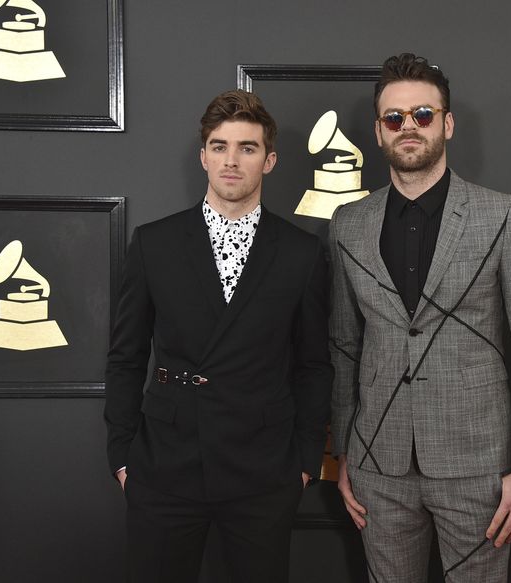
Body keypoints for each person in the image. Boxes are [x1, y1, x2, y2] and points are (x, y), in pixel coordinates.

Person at [329, 53, 511, 582]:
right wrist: (344, 453)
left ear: (447, 123)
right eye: (395, 118)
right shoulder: (348, 224)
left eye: (423, 114)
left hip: (478, 465)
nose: (408, 127)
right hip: (376, 467)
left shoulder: (501, 215)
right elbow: (343, 347)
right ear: (378, 132)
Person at [104, 90, 333, 583]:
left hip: (264, 469)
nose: (232, 160)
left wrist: (305, 461)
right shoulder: (154, 243)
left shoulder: (302, 253)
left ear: (269, 160)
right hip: (165, 463)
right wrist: (122, 456)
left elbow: (315, 364)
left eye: (247, 147)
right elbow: (125, 356)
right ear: (203, 156)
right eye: (220, 145)